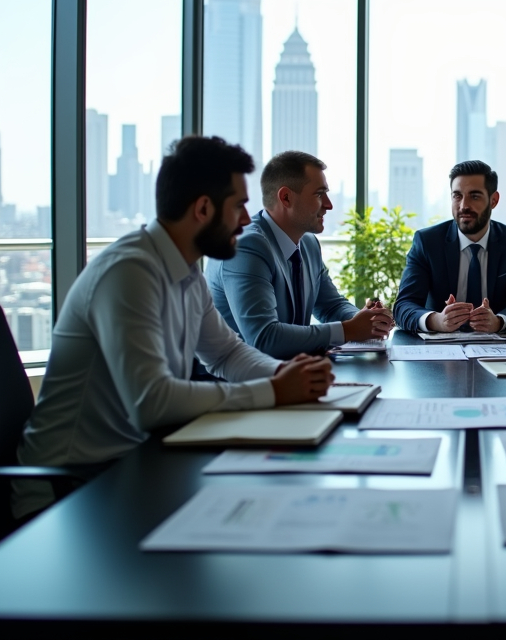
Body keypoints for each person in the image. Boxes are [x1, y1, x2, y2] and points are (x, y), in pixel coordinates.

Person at [17, 137, 334, 517]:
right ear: (203, 208)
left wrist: (286, 375)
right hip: (71, 489)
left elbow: (226, 353)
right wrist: (273, 390)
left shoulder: (184, 271)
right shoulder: (129, 273)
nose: (248, 220)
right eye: (238, 206)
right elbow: (151, 402)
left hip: (135, 464)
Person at [206, 151, 393, 357]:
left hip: (286, 373)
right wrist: (349, 329)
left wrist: (367, 320)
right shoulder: (247, 246)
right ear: (286, 197)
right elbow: (264, 338)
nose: (329, 205)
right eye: (319, 194)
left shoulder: (308, 243)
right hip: (233, 383)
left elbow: (330, 306)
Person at [393, 160, 506, 333]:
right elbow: (403, 306)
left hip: (495, 352)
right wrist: (436, 320)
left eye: (474, 196)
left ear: (494, 200)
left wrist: (498, 322)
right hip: (438, 353)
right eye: (457, 196)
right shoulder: (427, 242)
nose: (464, 206)